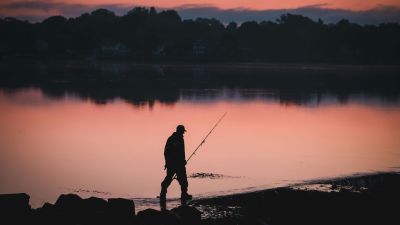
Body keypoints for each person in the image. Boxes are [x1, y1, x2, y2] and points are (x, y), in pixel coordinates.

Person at [160, 125, 192, 209]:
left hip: (172, 163)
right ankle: (183, 196)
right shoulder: (178, 139)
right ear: (180, 131)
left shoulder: (171, 138)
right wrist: (182, 161)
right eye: (183, 132)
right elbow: (178, 152)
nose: (183, 133)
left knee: (169, 178)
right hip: (177, 164)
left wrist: (167, 162)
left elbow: (166, 152)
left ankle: (163, 194)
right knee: (183, 181)